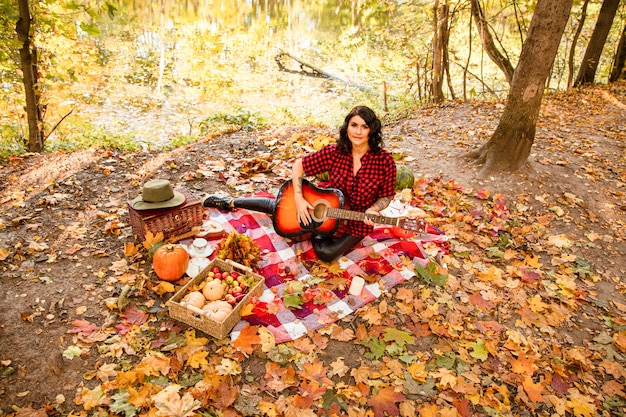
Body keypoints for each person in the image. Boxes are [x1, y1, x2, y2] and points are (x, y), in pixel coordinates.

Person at [203, 105, 397, 262]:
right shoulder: (335, 152)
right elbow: (299, 165)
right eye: (354, 125)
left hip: (357, 220)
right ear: (347, 127)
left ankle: (312, 229)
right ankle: (230, 201)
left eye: (364, 126)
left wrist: (374, 209)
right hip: (326, 201)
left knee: (326, 254)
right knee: (281, 206)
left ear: (372, 130)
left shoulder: (384, 160)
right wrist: (299, 197)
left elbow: (386, 195)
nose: (358, 131)